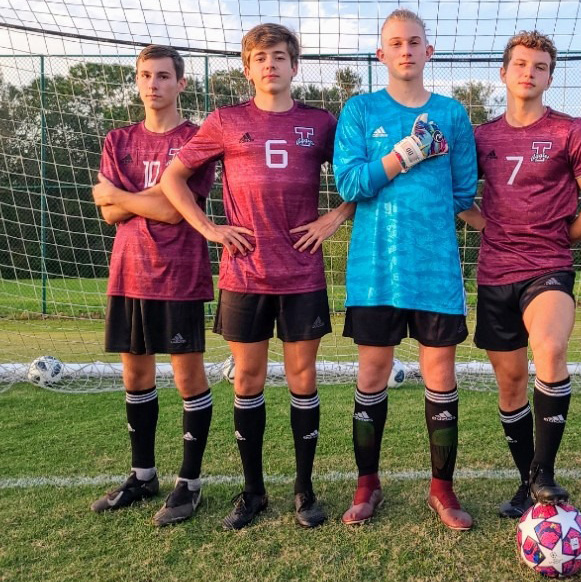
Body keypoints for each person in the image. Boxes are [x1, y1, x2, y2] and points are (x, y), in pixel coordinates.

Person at [160, 23, 353, 530]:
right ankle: (253, 491)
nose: (271, 65)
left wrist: (335, 217)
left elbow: (360, 175)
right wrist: (209, 228)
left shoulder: (320, 122)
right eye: (261, 58)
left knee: (302, 378)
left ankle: (305, 490)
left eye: (280, 56)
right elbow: (174, 178)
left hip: (302, 273)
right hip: (244, 274)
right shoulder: (226, 121)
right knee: (247, 380)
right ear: (247, 69)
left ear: (295, 66)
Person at [458, 31, 581, 517]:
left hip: (548, 267)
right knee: (510, 384)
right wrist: (488, 225)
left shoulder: (570, 132)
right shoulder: (481, 136)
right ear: (503, 72)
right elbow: (453, 194)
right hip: (494, 273)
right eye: (521, 64)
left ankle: (544, 473)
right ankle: (527, 482)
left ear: (550, 77)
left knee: (549, 348)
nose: (530, 72)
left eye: (541, 66)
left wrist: (560, 237)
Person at [333, 9, 477, 531]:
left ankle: (442, 488)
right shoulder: (359, 109)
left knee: (441, 377)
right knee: (372, 374)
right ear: (382, 54)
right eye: (395, 43)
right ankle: (366, 484)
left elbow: (463, 193)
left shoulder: (452, 114)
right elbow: (350, 184)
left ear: (428, 51)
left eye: (415, 41)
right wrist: (406, 154)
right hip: (375, 270)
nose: (406, 50)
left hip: (435, 270)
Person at [90, 45, 217, 527]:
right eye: (145, 75)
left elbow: (173, 210)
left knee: (188, 379)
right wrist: (147, 199)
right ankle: (142, 476)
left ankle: (190, 483)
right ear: (137, 81)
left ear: (181, 83)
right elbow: (108, 213)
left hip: (179, 275)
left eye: (163, 76)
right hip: (128, 272)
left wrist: (123, 196)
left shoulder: (197, 139)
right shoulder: (117, 139)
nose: (153, 84)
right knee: (135, 376)